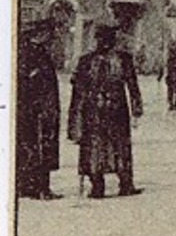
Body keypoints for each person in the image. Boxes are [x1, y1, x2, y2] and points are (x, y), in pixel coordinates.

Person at [67, 24, 143, 199]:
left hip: (109, 110)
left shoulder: (121, 59)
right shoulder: (88, 60)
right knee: (100, 147)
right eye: (103, 39)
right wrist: (76, 114)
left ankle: (121, 183)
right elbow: (78, 89)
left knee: (115, 146)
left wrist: (137, 108)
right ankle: (102, 185)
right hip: (99, 110)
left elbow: (132, 85)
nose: (105, 43)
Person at [16, 18, 64, 200]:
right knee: (37, 147)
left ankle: (33, 187)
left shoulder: (36, 52)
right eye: (50, 34)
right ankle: (38, 188)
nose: (52, 38)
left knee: (35, 147)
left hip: (42, 108)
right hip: (36, 109)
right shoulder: (31, 53)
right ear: (43, 34)